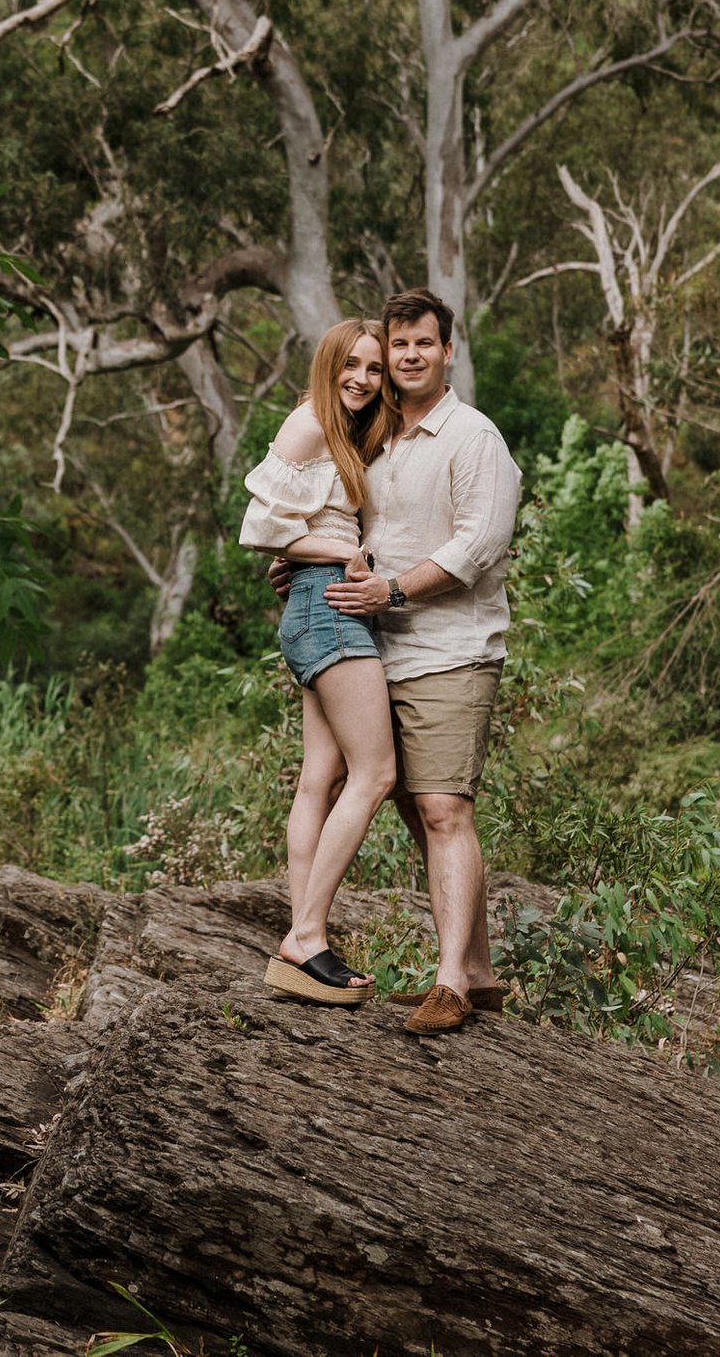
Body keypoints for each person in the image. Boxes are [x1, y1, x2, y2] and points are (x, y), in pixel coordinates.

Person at [275, 288, 521, 1035]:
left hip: (450, 649)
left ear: (449, 350)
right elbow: (340, 524)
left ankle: (448, 983)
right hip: (381, 645)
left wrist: (392, 589)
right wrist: (303, 561)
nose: (409, 356)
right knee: (418, 811)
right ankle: (476, 970)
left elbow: (478, 547)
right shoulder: (375, 436)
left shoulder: (474, 438)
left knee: (446, 808)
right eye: (398, 345)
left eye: (423, 343)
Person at [238, 319, 396, 1006]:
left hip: (317, 603)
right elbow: (260, 529)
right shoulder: (307, 423)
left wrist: (314, 554)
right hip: (329, 605)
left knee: (321, 776)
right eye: (351, 365)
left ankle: (301, 936)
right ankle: (306, 935)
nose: (363, 378)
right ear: (329, 366)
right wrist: (337, 556)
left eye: (375, 368)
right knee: (376, 772)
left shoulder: (343, 433)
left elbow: (294, 532)